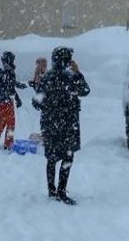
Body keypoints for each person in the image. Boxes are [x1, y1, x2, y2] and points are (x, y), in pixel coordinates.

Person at [38, 46, 90, 204]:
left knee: (51, 158)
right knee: (67, 157)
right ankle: (61, 191)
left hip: (50, 124)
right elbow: (86, 90)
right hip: (68, 124)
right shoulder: (71, 77)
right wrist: (78, 73)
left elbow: (37, 101)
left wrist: (49, 106)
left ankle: (51, 190)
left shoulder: (47, 77)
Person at [0, 51, 26, 150]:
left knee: (2, 122)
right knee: (11, 123)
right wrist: (18, 100)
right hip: (5, 101)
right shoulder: (9, 70)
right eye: (13, 59)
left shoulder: (2, 70)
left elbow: (10, 83)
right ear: (10, 60)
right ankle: (8, 143)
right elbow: (10, 88)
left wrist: (20, 85)